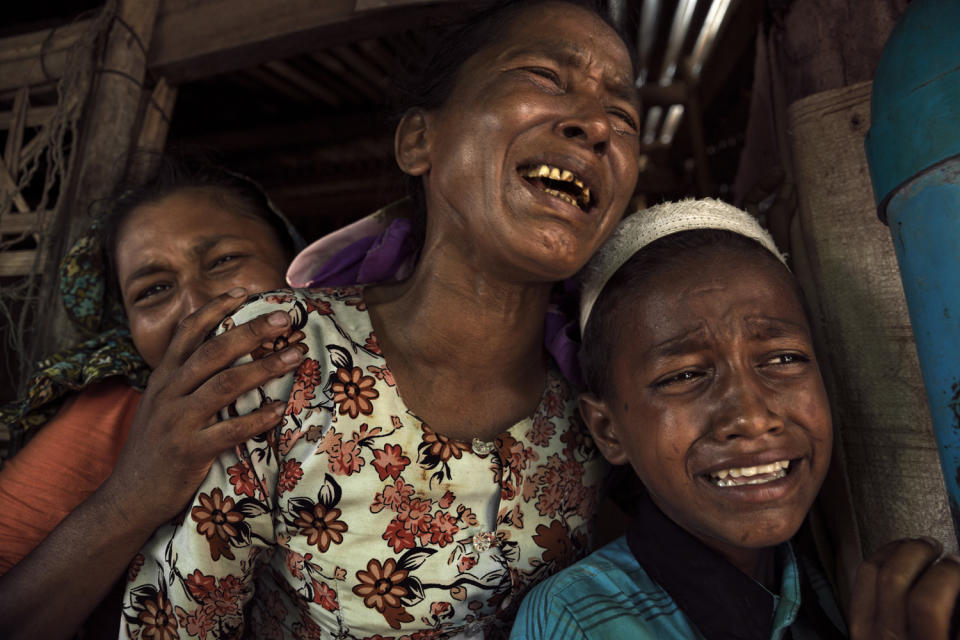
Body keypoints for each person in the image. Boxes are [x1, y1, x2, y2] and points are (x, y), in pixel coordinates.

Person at [120, 1, 641, 637]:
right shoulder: (280, 354)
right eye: (541, 75)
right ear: (419, 140)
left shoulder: (603, 415)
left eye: (623, 115)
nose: (596, 125)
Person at [510, 198, 960, 639]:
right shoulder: (577, 619)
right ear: (608, 430)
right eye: (683, 375)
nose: (749, 416)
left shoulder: (825, 576)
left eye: (783, 358)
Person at [0, 160, 309, 639]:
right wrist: (131, 497)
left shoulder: (375, 374)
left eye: (224, 260)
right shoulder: (117, 415)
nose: (195, 306)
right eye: (155, 289)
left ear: (294, 264)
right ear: (127, 324)